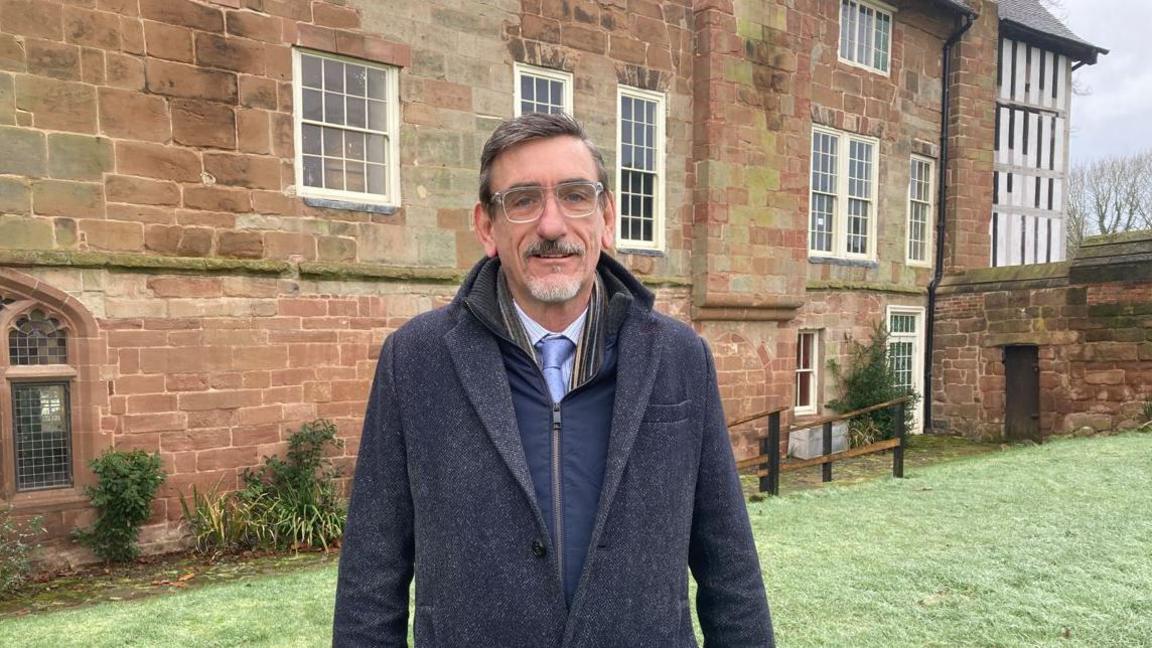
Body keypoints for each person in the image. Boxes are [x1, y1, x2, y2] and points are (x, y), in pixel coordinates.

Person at [332, 112, 774, 647]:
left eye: (574, 195)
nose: (551, 226)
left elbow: (729, 568)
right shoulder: (416, 359)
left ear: (606, 216)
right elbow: (371, 576)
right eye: (521, 200)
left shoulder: (680, 357)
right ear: (486, 227)